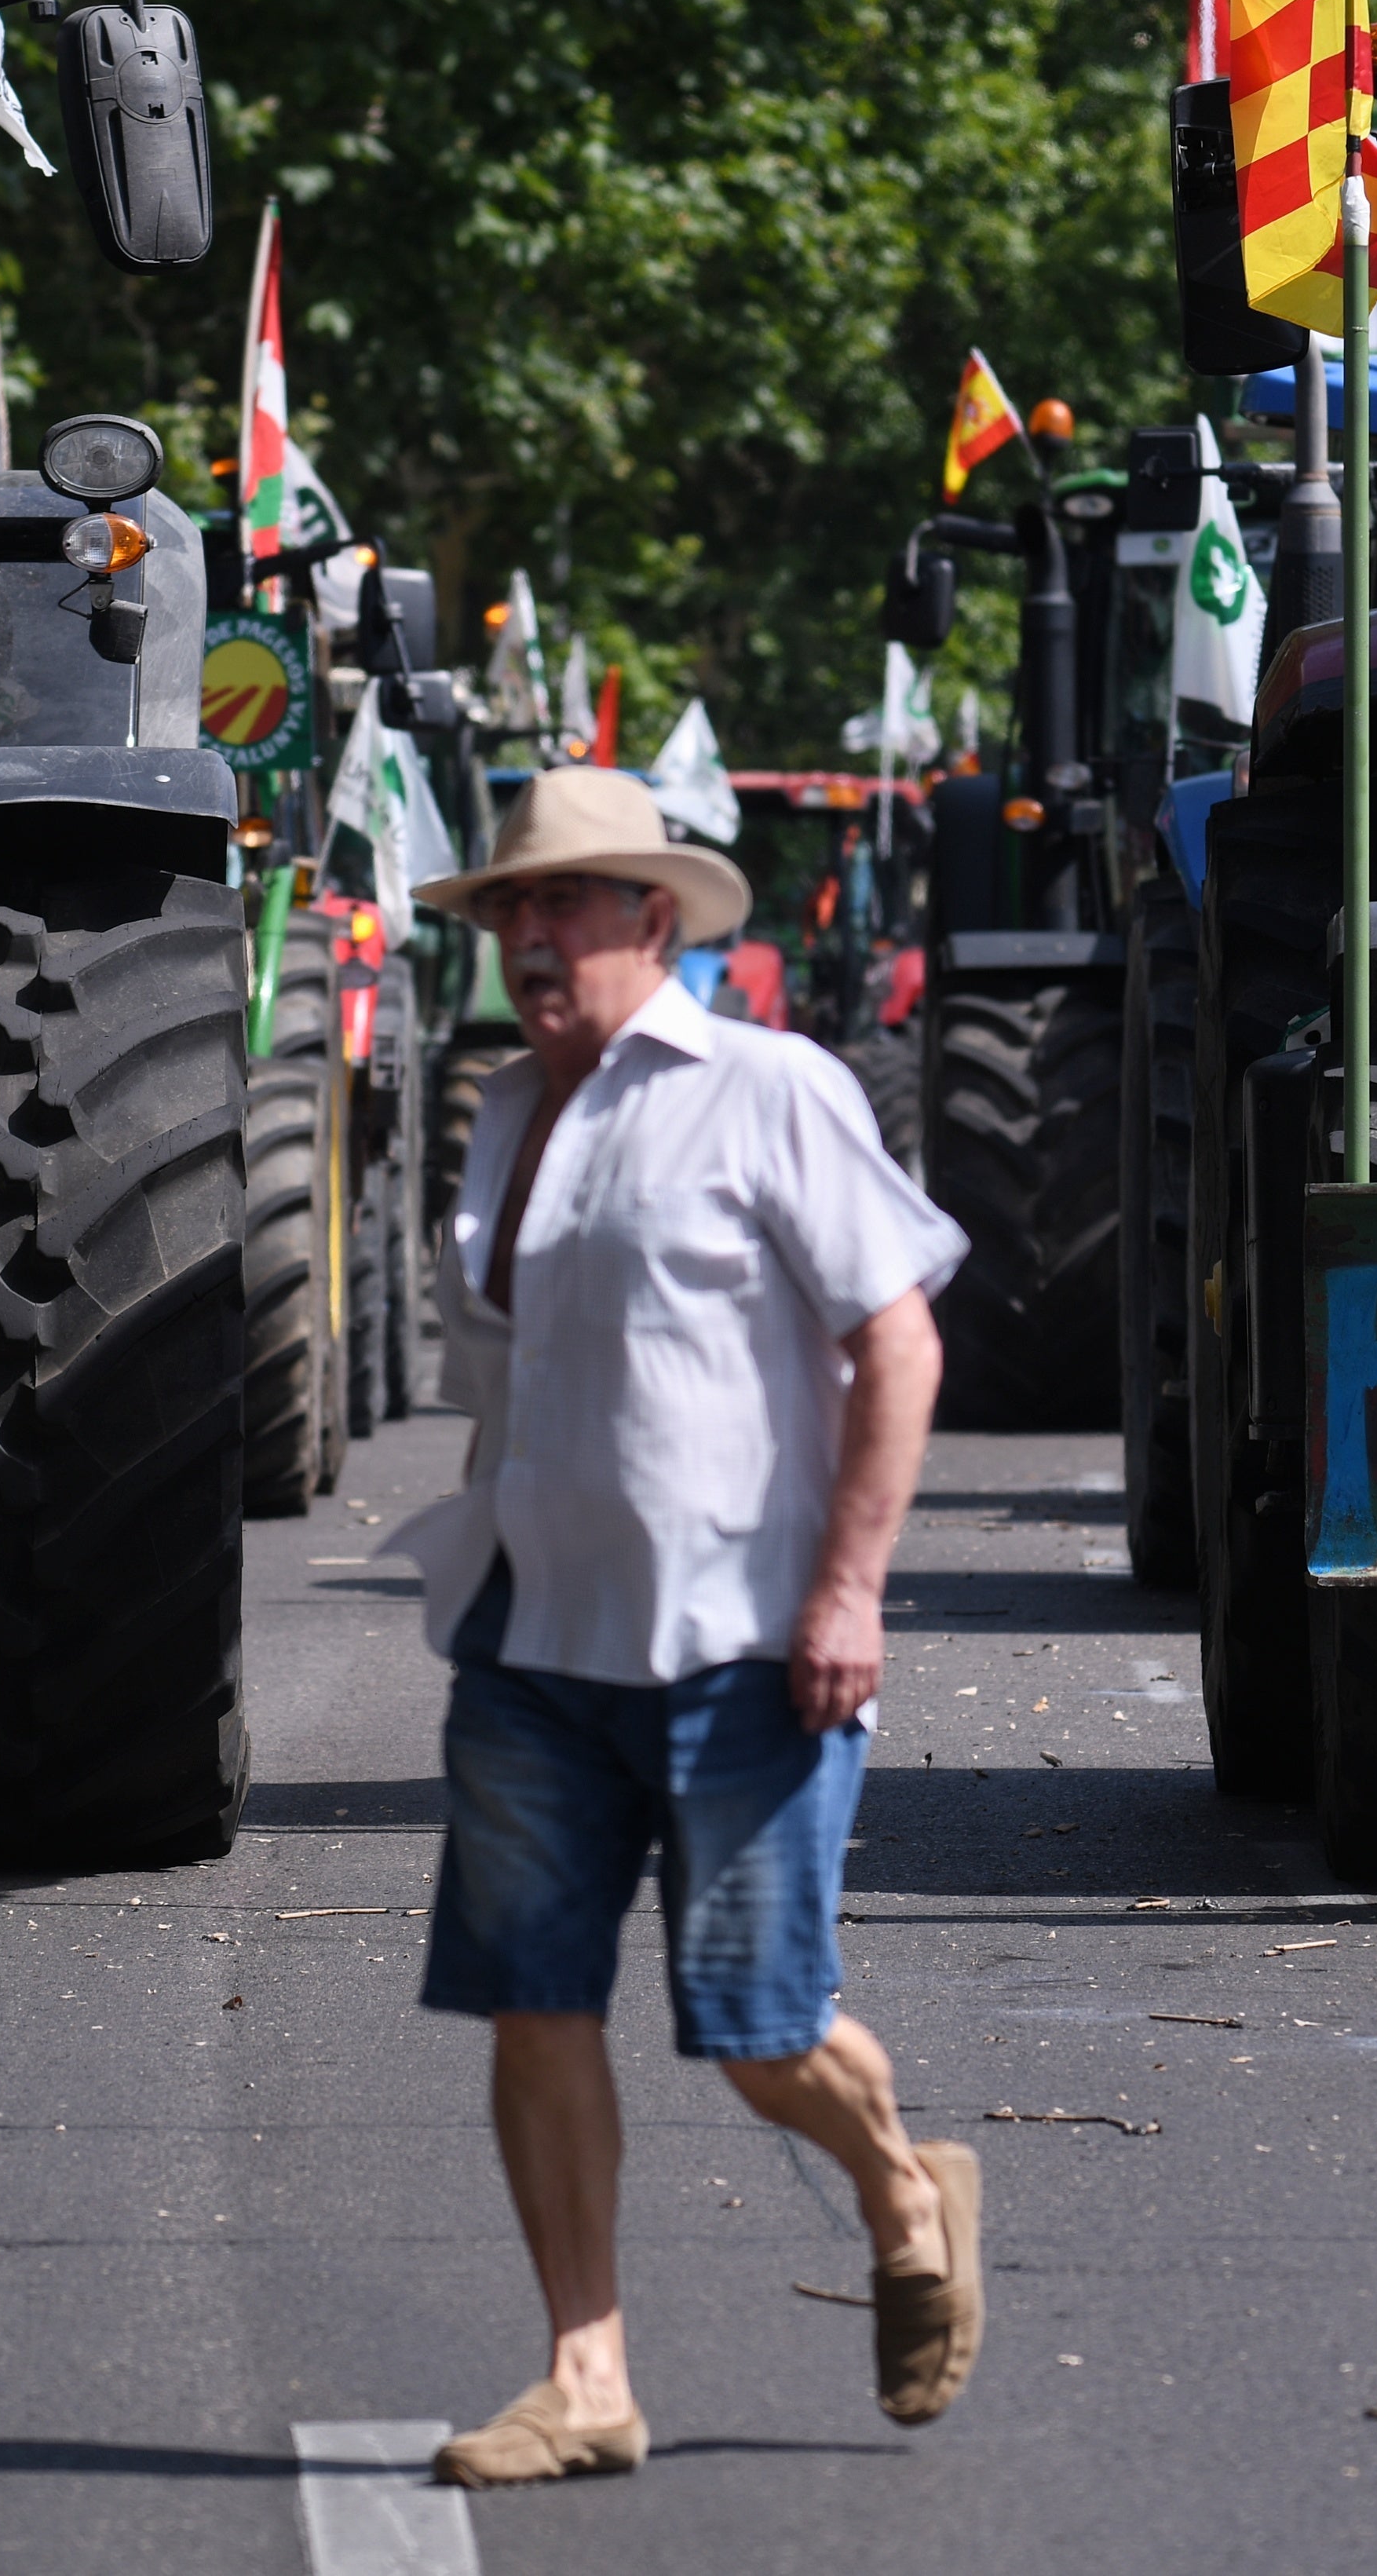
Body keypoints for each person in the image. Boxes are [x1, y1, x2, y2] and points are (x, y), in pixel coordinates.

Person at [395, 764, 977, 2487]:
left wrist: (850, 1587)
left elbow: (902, 1340)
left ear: (653, 917)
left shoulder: (768, 1088)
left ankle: (893, 2180)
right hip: (532, 1636)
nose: (528, 936)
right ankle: (584, 2374)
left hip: (745, 1639)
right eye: (509, 908)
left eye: (560, 904)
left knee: (760, 2024)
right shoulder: (505, 1107)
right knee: (531, 1997)